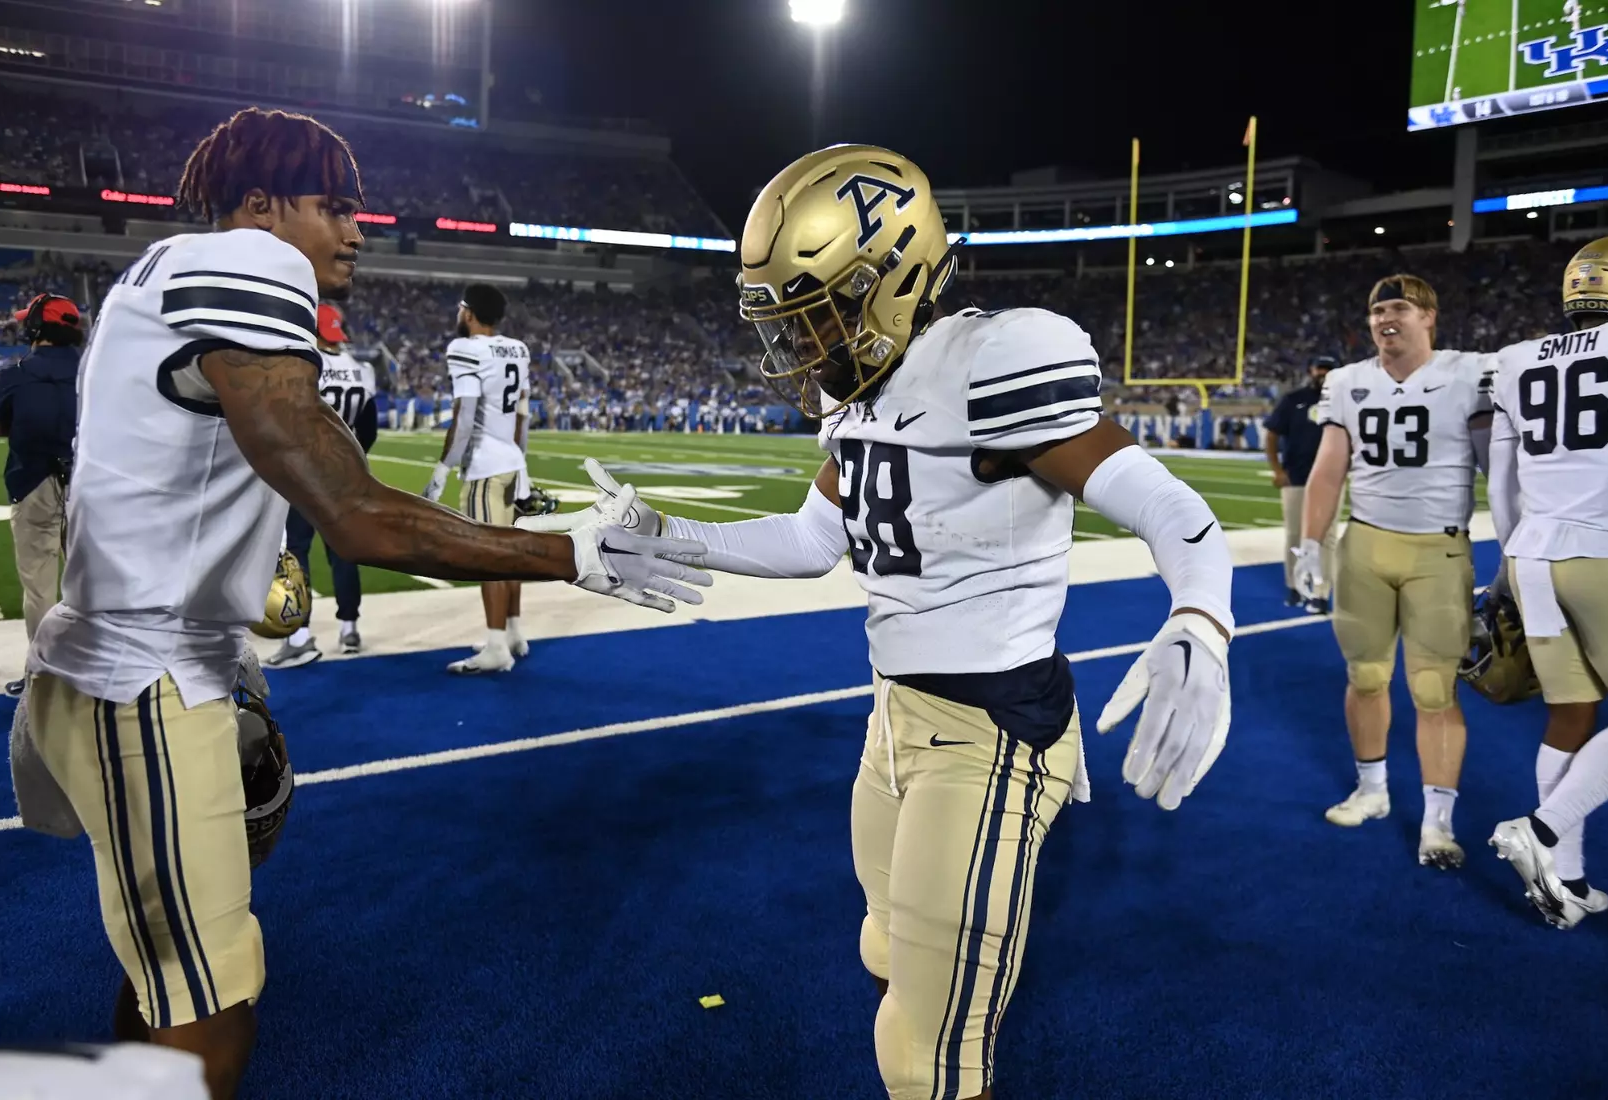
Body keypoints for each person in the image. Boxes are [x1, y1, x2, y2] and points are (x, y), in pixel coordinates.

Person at [22, 106, 709, 1100]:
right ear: (259, 206)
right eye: (332, 205)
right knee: (211, 1013)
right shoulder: (252, 264)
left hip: (130, 658)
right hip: (140, 680)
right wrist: (574, 550)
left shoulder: (154, 273)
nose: (357, 228)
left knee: (173, 978)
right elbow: (354, 514)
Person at [530, 144, 1235, 1100]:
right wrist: (673, 533)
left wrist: (1202, 615)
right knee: (887, 951)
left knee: (926, 1057)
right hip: (894, 721)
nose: (801, 341)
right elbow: (814, 537)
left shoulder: (996, 359)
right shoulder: (852, 391)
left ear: (894, 273)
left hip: (991, 729)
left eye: (814, 310)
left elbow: (1170, 508)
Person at [1293, 274, 1495, 869]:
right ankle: (1373, 790)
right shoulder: (1348, 381)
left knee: (1433, 689)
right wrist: (1310, 545)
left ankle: (1438, 821)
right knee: (1365, 676)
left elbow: (1497, 467)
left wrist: (1515, 547)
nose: (1387, 317)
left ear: (1428, 317)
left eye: (1400, 308)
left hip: (1440, 548)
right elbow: (1329, 469)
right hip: (1367, 547)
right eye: (1379, 308)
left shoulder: (1468, 373)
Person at [1486, 235, 1608, 929]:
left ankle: (1564, 885)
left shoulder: (1514, 361)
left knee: (1571, 712)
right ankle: (1541, 832)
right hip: (1607, 551)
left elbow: (1501, 482)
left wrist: (1509, 565)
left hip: (1531, 553)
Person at [420, 284, 534, 674]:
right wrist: (522, 464)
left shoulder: (464, 349)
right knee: (512, 556)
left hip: (486, 466)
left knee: (490, 560)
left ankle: (497, 646)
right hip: (513, 463)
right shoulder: (519, 348)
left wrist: (442, 469)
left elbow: (465, 417)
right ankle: (514, 633)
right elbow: (522, 415)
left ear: (468, 313)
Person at [267, 302, 377, 666]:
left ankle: (299, 635)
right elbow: (370, 430)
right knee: (343, 553)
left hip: (304, 473)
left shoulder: (304, 364)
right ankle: (349, 629)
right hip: (341, 475)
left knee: (296, 552)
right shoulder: (362, 370)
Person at [0, 293, 82, 696]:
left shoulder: (17, 372)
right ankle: (91, 670)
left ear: (36, 328)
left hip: (34, 483)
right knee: (90, 585)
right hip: (90, 487)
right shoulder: (95, 370)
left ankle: (43, 680)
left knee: (39, 588)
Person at [1263, 354, 1341, 613]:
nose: (1323, 373)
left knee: (1327, 538)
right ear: (1311, 370)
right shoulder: (1293, 400)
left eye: (1329, 369)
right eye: (1320, 368)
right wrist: (1276, 469)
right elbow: (1272, 435)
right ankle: (1294, 586)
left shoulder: (1345, 401)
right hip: (1295, 476)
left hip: (1330, 480)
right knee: (1295, 536)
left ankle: (1320, 592)